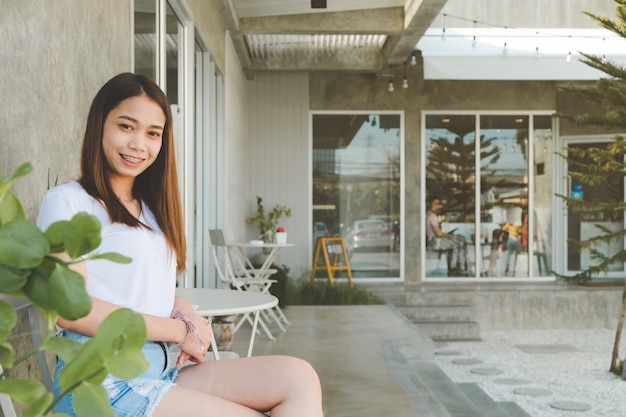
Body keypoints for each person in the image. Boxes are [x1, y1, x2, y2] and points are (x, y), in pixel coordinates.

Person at [36, 72, 323, 417]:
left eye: (153, 133)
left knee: (298, 378)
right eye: (126, 126)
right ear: (99, 125)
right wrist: (178, 330)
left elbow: (137, 289)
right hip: (102, 383)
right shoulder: (67, 201)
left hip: (161, 368)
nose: (139, 144)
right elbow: (72, 310)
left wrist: (183, 309)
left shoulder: (152, 211)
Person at [425, 197, 467, 275]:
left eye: (438, 204)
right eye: (436, 204)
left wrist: (448, 235)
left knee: (457, 243)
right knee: (460, 240)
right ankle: (460, 267)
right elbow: (439, 233)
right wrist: (448, 235)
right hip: (435, 241)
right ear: (431, 205)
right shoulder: (433, 216)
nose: (438, 206)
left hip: (431, 240)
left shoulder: (428, 214)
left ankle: (455, 266)